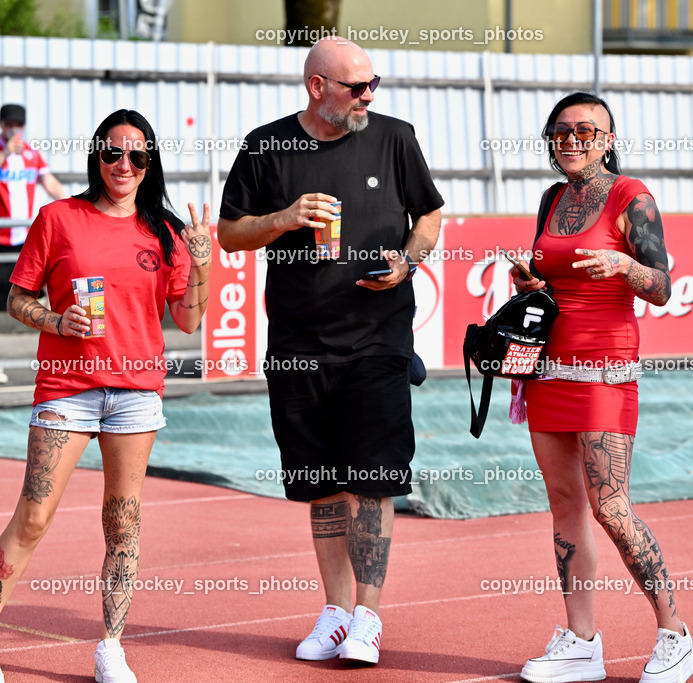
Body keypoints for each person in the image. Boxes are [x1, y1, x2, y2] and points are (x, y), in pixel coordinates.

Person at [217, 37, 443, 667]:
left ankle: (367, 615)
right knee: (319, 481)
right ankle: (337, 612)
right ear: (317, 87)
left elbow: (429, 217)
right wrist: (285, 218)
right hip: (298, 344)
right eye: (356, 87)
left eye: (374, 83)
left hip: (378, 339)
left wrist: (407, 260)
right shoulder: (267, 145)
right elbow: (230, 233)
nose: (369, 96)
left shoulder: (395, 136)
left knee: (372, 479)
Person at [0, 109, 211, 683]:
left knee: (123, 522)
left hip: (136, 392)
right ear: (97, 156)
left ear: (150, 164)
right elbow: (18, 300)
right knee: (34, 518)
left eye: (137, 156)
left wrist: (201, 264)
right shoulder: (58, 218)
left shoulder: (164, 231)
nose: (124, 164)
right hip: (67, 389)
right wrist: (56, 321)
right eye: (113, 153)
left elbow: (188, 321)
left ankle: (110, 648)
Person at [510, 92, 693, 683]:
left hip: (604, 371)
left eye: (586, 130)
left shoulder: (629, 196)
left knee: (611, 508)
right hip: (547, 368)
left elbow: (663, 286)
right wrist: (529, 281)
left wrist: (624, 267)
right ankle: (581, 640)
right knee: (565, 507)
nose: (572, 140)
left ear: (608, 138)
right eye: (561, 131)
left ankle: (675, 634)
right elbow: (549, 279)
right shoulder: (551, 199)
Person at [0, 103, 67, 306]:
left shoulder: (32, 153)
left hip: (24, 233)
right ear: (2, 126)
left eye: (18, 125)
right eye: (9, 124)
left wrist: (69, 203)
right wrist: (6, 153)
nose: (14, 129)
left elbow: (49, 182)